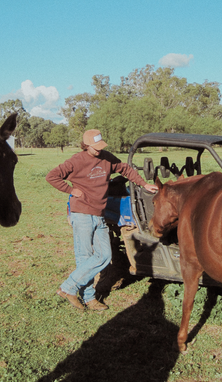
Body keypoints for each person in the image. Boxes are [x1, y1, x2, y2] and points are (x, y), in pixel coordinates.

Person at [45, 129, 158, 311]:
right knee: (85, 258)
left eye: (100, 146)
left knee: (105, 255)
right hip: (81, 214)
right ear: (86, 145)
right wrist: (70, 190)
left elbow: (125, 169)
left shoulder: (106, 157)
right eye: (95, 147)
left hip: (99, 214)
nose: (98, 150)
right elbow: (52, 176)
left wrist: (144, 184)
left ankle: (68, 287)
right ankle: (88, 297)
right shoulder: (77, 161)